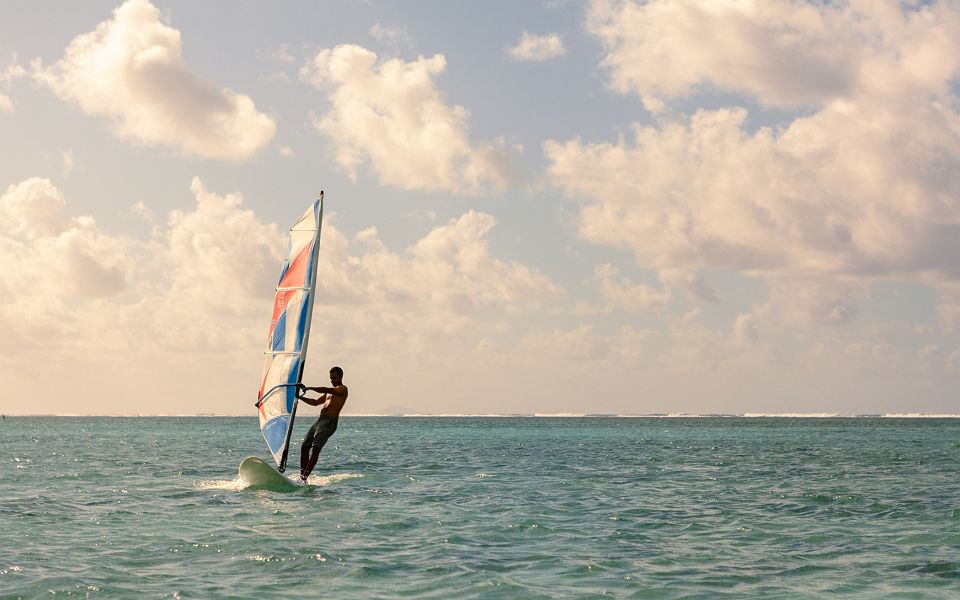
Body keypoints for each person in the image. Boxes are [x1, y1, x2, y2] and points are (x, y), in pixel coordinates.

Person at [296, 366, 348, 482]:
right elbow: (315, 403)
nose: (332, 380)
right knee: (304, 447)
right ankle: (302, 477)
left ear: (340, 377)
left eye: (334, 378)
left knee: (315, 449)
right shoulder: (329, 394)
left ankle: (304, 478)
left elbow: (328, 389)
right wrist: (299, 397)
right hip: (319, 421)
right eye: (330, 378)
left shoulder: (342, 389)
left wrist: (309, 388)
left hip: (329, 422)